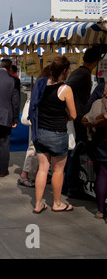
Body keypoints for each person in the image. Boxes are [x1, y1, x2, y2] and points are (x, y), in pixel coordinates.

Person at [30, 56, 76, 214]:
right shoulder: (65, 89)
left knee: (43, 168)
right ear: (64, 71)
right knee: (57, 170)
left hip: (40, 132)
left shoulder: (41, 84)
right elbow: (74, 115)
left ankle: (38, 204)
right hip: (57, 133)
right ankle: (57, 203)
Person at [64, 47, 102, 198]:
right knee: (76, 153)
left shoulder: (81, 72)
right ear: (97, 60)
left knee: (75, 153)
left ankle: (71, 185)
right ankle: (72, 187)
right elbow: (66, 88)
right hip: (78, 118)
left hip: (78, 116)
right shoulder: (83, 73)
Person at [82, 81, 107, 222]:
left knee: (103, 172)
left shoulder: (101, 88)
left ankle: (101, 210)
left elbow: (86, 113)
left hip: (101, 137)